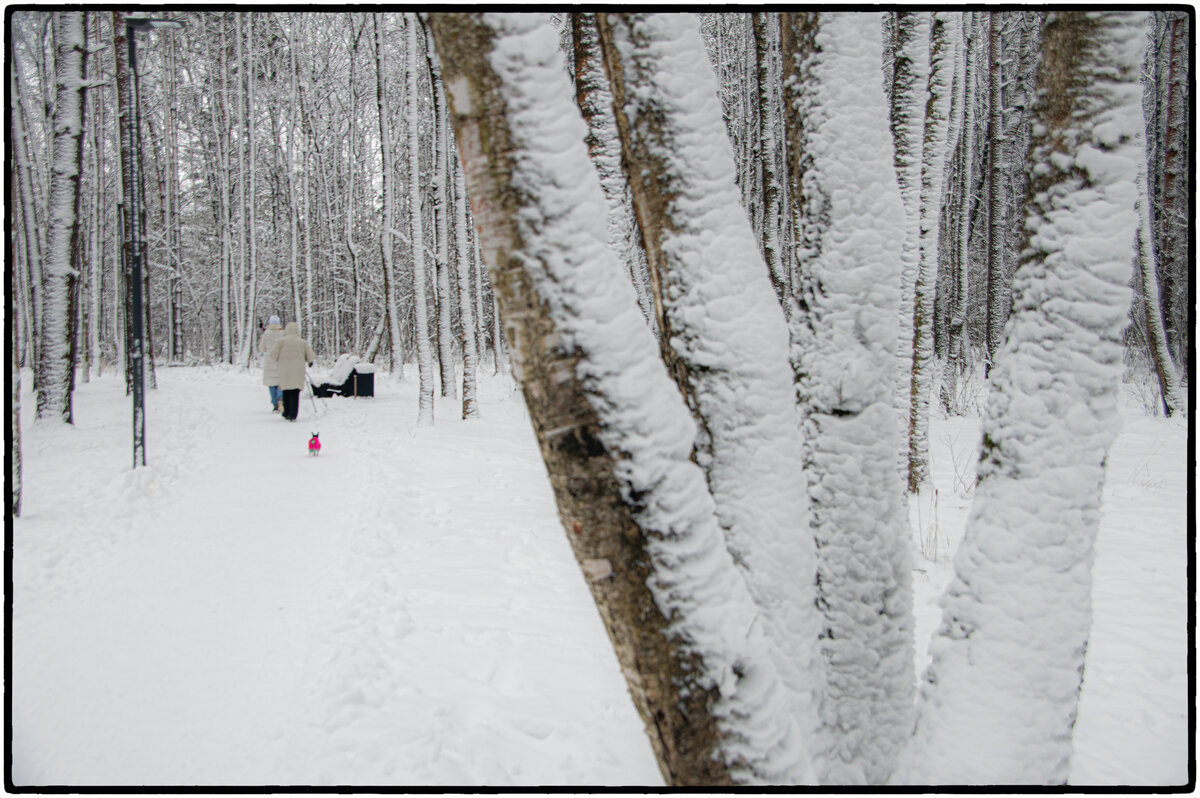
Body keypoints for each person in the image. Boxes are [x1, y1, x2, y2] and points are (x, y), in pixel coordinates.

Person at [268, 321, 317, 422]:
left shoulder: (280, 342)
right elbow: (310, 356)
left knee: (286, 391)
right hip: (298, 371)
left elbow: (273, 356)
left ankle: (286, 413)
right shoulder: (302, 342)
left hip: (284, 371)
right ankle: (293, 415)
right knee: (295, 392)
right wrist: (310, 362)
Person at [258, 315, 285, 412]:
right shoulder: (283, 334)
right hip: (281, 360)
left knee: (271, 383)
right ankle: (280, 398)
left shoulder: (266, 334)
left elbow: (262, 348)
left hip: (269, 361)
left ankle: (274, 404)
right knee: (281, 381)